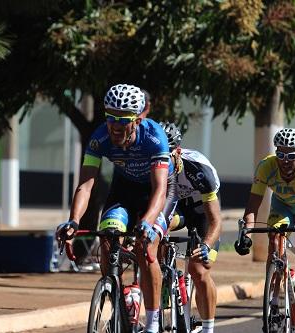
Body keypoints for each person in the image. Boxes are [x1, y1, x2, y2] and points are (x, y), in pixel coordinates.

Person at [56, 83, 176, 333]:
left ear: (139, 117)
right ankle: (116, 295)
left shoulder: (154, 137)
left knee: (147, 247)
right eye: (111, 117)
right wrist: (73, 222)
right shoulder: (100, 137)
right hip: (123, 190)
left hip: (156, 193)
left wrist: (147, 223)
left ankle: (153, 324)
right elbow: (86, 186)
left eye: (123, 119)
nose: (116, 125)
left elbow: (159, 190)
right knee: (109, 238)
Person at [235, 128, 295, 316]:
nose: (285, 160)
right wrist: (246, 234)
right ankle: (272, 296)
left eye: (291, 154)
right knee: (274, 240)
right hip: (282, 206)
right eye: (280, 154)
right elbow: (252, 206)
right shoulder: (267, 166)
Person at [161, 122, 221, 333]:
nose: (163, 160)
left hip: (201, 211)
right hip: (177, 210)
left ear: (177, 151)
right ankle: (166, 274)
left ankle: (208, 328)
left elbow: (215, 220)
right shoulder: (154, 165)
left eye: (167, 155)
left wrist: (206, 245)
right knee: (159, 227)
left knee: (198, 270)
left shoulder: (198, 168)